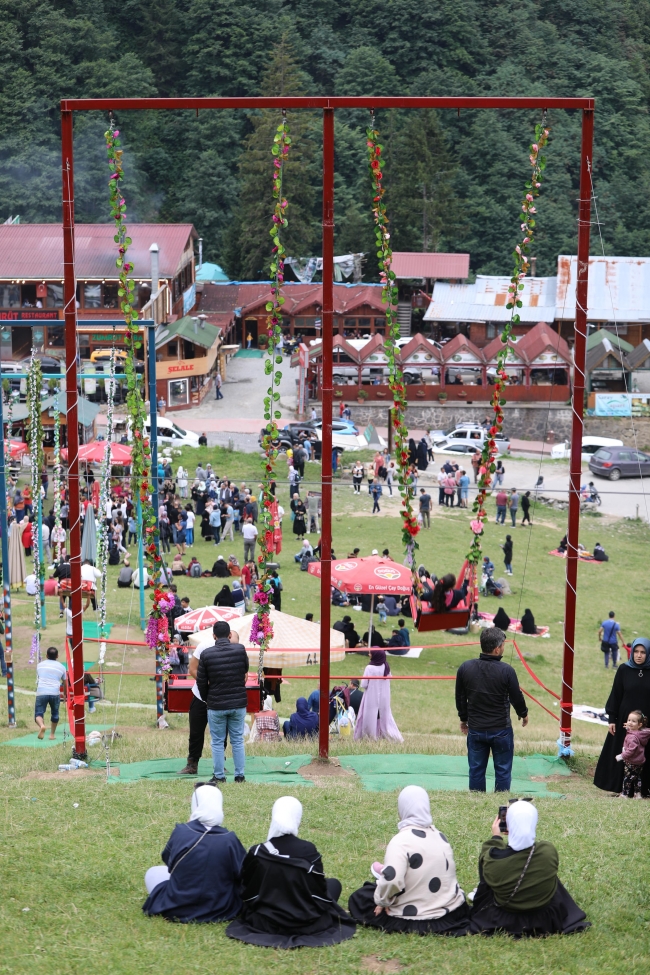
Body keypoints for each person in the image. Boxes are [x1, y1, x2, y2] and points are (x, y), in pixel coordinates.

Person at [225, 796, 356, 948]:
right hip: (305, 920)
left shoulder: (258, 851)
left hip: (266, 920)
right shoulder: (309, 851)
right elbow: (319, 894)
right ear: (297, 818)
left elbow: (248, 890)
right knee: (334, 884)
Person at [348, 786, 470, 936]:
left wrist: (383, 901)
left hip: (417, 919)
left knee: (360, 897)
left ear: (401, 810)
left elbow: (392, 880)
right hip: (450, 912)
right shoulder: (439, 836)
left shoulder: (401, 841)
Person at [468, 801, 590, 936]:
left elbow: (489, 857)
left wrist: (496, 837)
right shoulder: (547, 851)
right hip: (544, 918)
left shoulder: (493, 858)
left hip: (504, 917)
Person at [142, 784, 246, 922]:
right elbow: (243, 873)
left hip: (178, 905)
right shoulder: (229, 838)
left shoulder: (181, 831)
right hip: (220, 908)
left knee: (153, 872)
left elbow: (169, 863)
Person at [455, 627, 528, 792]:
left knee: (476, 770)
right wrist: (523, 714)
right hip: (501, 730)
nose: (503, 648)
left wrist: (463, 719)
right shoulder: (507, 671)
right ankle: (501, 804)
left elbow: (460, 698)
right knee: (502, 770)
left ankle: (476, 802)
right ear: (497, 649)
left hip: (476, 729)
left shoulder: (465, 668)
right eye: (503, 645)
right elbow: (517, 697)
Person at [594, 638, 650, 796]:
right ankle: (620, 787)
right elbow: (616, 695)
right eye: (636, 651)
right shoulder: (624, 670)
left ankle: (643, 788)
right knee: (624, 750)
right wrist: (612, 719)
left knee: (644, 753)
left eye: (643, 652)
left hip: (646, 723)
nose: (639, 655)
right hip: (626, 721)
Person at [196, 620, 249, 783]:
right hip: (238, 703)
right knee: (237, 740)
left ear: (214, 636)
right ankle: (239, 775)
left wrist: (207, 698)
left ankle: (219, 775)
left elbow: (201, 681)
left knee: (217, 742)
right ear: (230, 635)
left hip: (216, 704)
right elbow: (245, 670)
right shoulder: (240, 650)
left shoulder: (206, 654)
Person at [354, 650, 403, 741]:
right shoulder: (386, 666)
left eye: (370, 653)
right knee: (385, 716)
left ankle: (369, 736)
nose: (369, 654)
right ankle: (387, 734)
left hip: (371, 696)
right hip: (384, 696)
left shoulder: (369, 668)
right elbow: (389, 678)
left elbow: (364, 684)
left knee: (369, 716)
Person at [616, 710, 650, 798]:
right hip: (640, 760)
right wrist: (628, 728)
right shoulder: (640, 733)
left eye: (633, 721)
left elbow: (631, 750)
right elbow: (635, 732)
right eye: (629, 720)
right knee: (637, 778)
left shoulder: (632, 737)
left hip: (631, 761)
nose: (630, 722)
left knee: (627, 778)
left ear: (639, 725)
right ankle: (637, 794)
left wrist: (622, 756)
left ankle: (624, 794)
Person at [34, 646, 66, 740]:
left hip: (41, 692)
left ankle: (42, 726)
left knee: (38, 714)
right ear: (57, 656)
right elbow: (65, 683)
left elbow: (39, 677)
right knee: (55, 713)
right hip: (54, 693)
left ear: (46, 655)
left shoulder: (40, 665)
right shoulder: (62, 667)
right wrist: (64, 694)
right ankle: (52, 735)